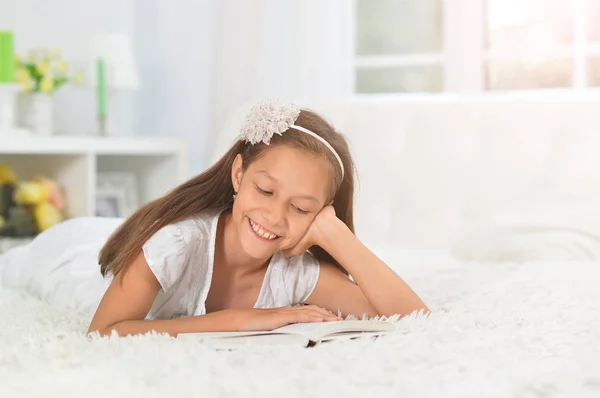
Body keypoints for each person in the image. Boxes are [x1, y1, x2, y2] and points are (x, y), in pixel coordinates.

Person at [0, 101, 429, 337]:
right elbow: (104, 330)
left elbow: (411, 318)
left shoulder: (295, 270)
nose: (274, 217)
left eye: (300, 209)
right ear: (238, 174)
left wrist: (337, 237)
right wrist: (243, 320)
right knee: (12, 261)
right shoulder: (178, 242)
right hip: (70, 257)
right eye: (265, 190)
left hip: (109, 242)